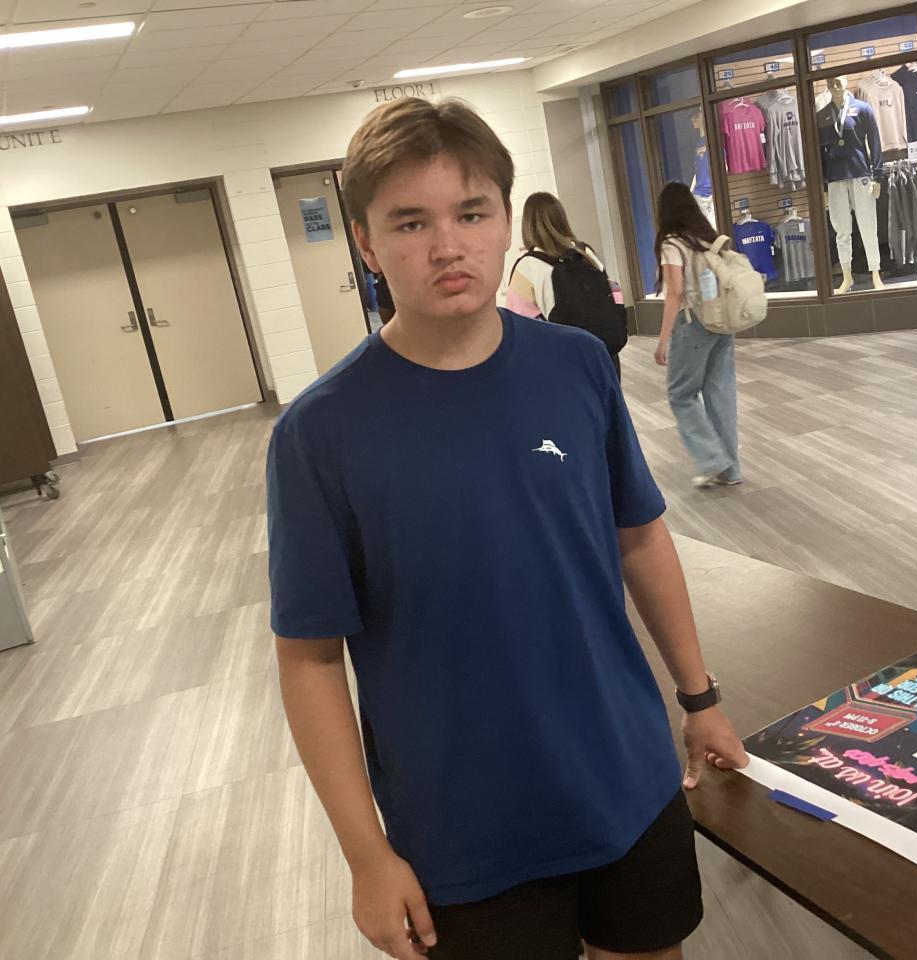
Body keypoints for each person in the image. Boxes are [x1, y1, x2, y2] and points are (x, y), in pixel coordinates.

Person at [267, 97, 748, 960]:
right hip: (463, 830)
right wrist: (366, 854)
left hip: (625, 779)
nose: (447, 246)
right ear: (366, 244)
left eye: (471, 213)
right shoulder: (320, 433)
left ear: (504, 222)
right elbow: (310, 659)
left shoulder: (576, 366)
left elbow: (640, 537)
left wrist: (700, 698)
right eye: (410, 223)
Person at [653, 183, 742, 488]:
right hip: (722, 322)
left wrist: (662, 340)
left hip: (693, 324)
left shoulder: (672, 243)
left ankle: (712, 459)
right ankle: (731, 470)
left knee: (681, 394)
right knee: (720, 393)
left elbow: (675, 293)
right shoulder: (708, 239)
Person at [506, 191, 627, 379]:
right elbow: (615, 291)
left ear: (528, 226)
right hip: (604, 354)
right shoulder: (584, 251)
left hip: (565, 362)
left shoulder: (527, 266)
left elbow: (517, 325)